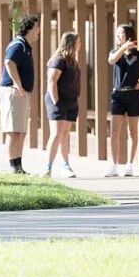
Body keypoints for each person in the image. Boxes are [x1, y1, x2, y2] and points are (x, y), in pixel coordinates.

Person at [105, 24, 139, 177]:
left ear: (128, 36)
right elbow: (111, 60)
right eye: (116, 34)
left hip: (134, 96)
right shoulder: (115, 52)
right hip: (118, 95)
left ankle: (129, 165)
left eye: (120, 34)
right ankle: (114, 165)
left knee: (133, 132)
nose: (117, 36)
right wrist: (123, 47)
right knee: (114, 132)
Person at [0, 15, 40, 174]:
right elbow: (9, 62)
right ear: (28, 29)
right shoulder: (18, 45)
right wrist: (18, 84)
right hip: (13, 92)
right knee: (13, 131)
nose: (39, 30)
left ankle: (19, 166)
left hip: (21, 94)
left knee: (20, 131)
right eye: (36, 27)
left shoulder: (26, 47)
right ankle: (13, 166)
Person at [42, 32, 82, 178]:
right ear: (71, 43)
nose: (80, 44)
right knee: (56, 133)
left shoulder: (73, 60)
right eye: (78, 42)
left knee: (65, 134)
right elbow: (51, 80)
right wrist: (56, 102)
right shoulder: (59, 60)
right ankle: (47, 168)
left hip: (71, 100)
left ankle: (65, 166)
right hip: (59, 101)